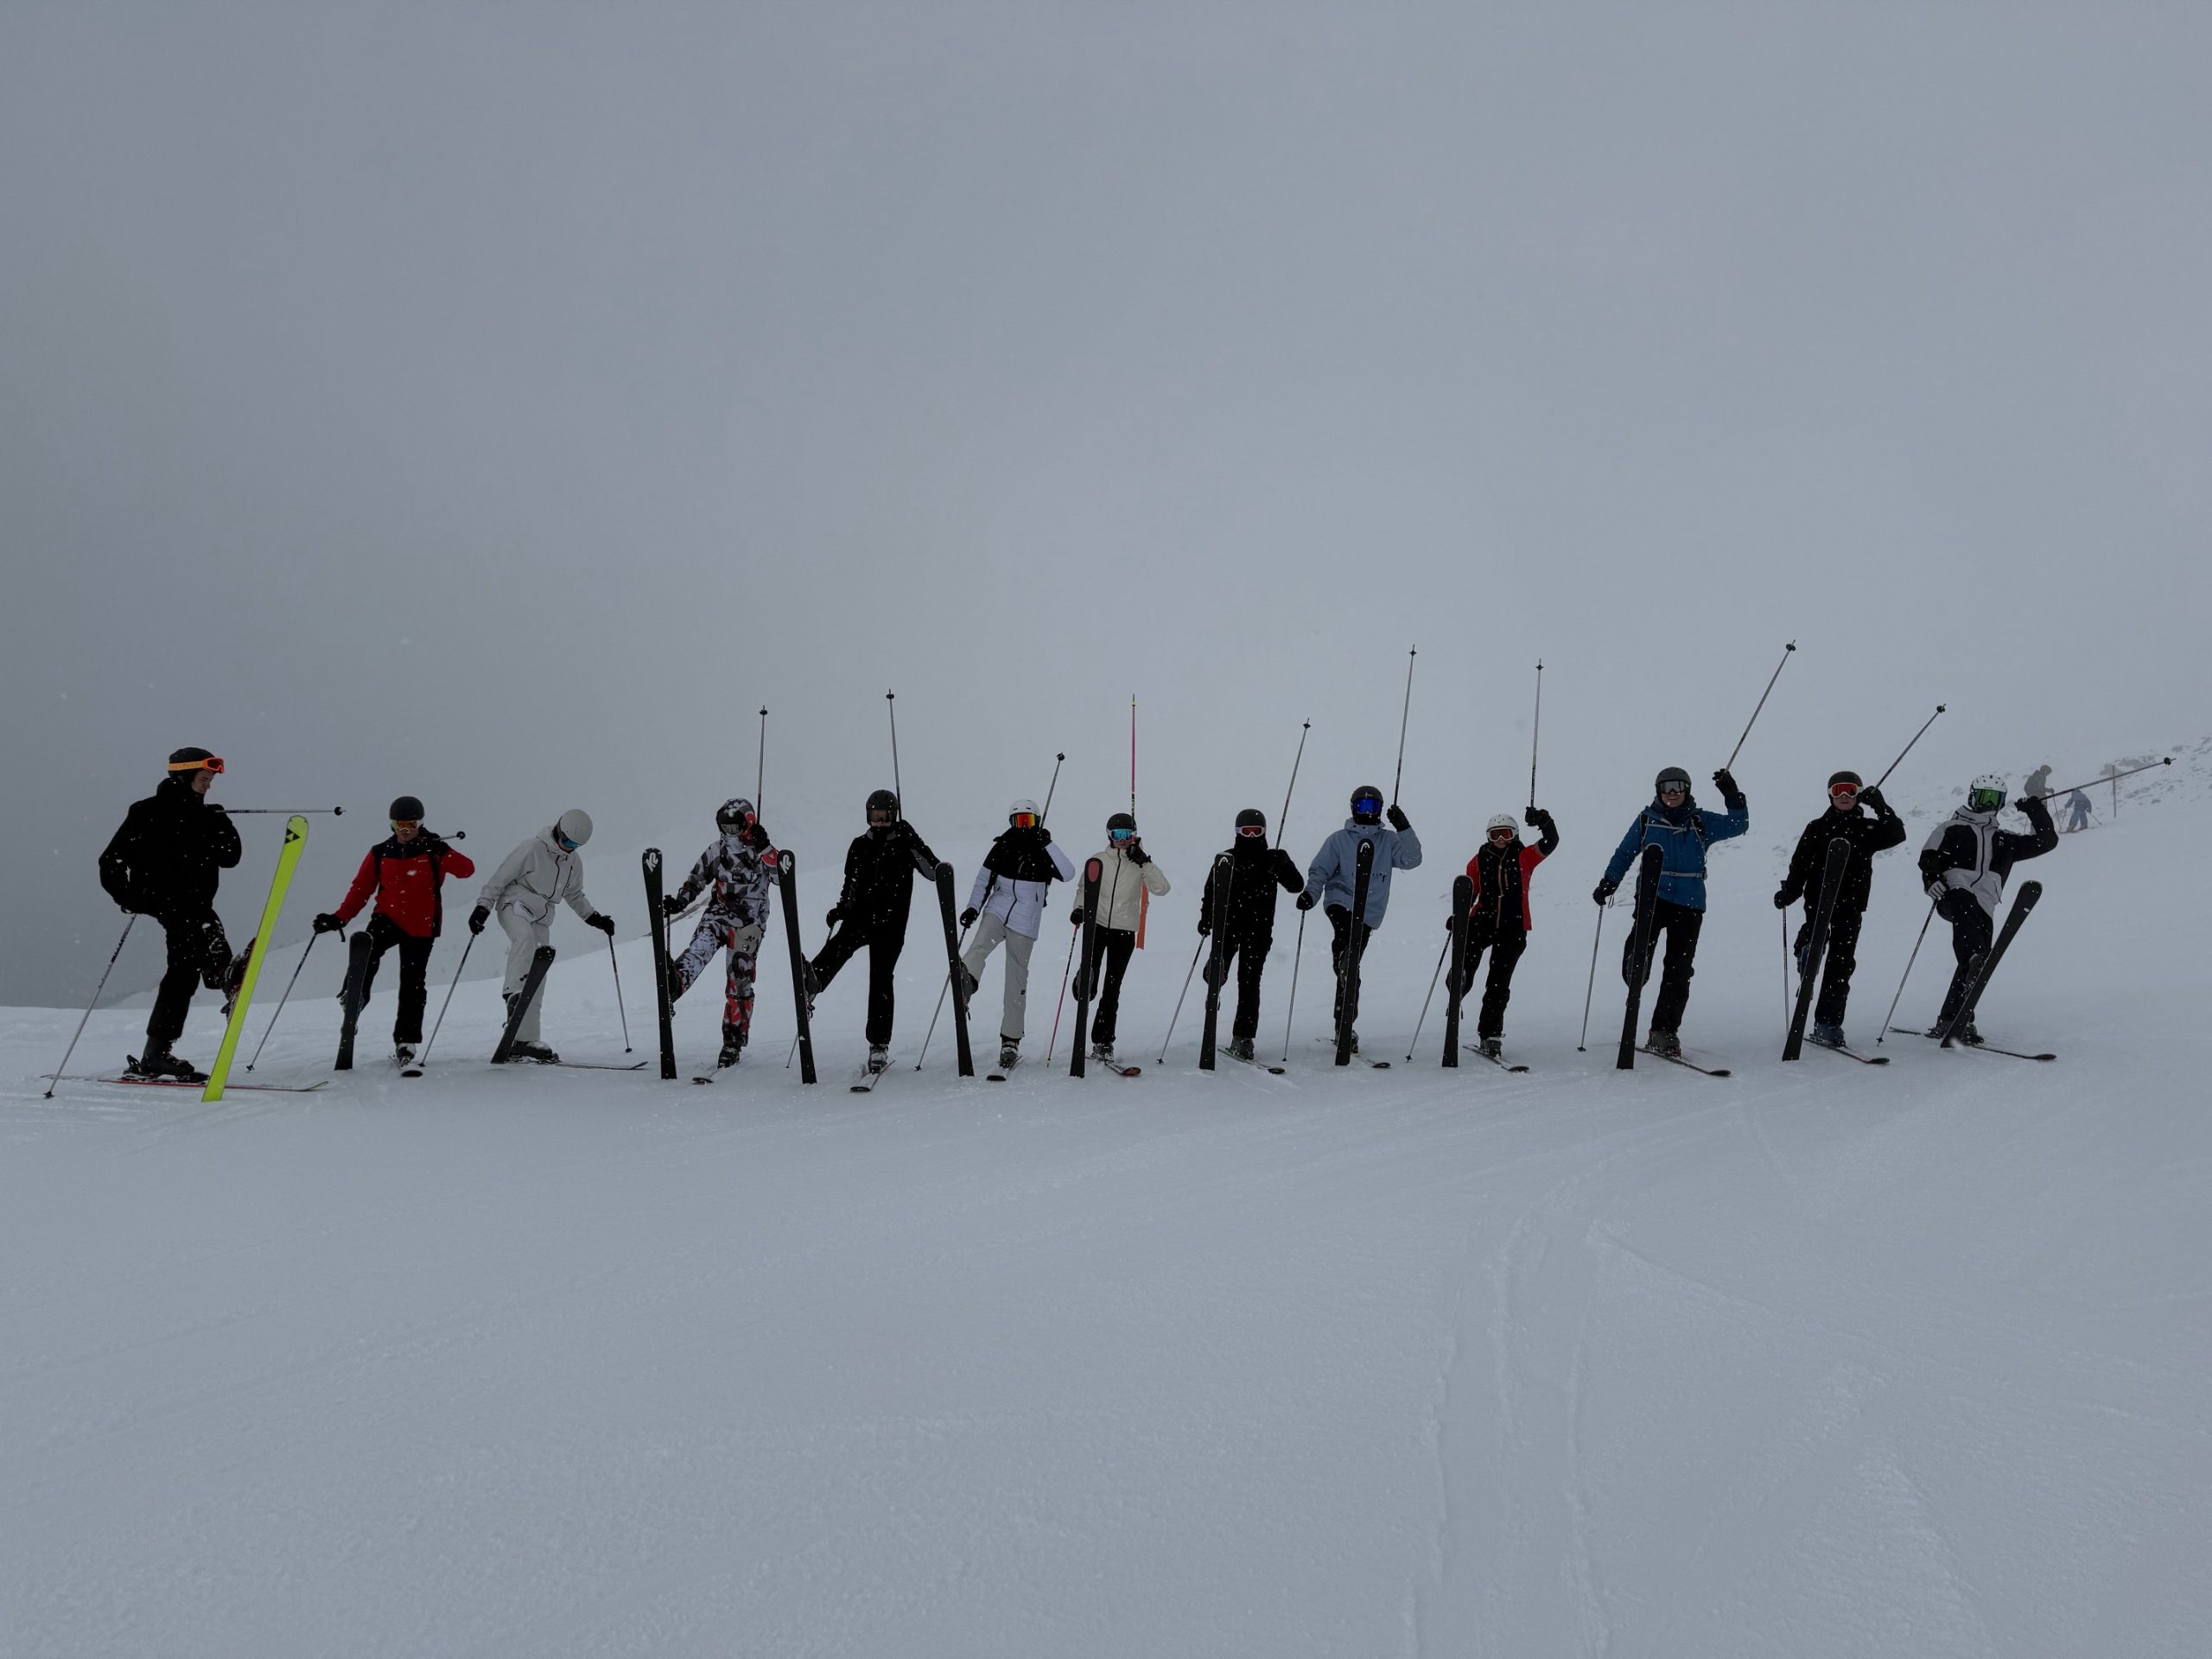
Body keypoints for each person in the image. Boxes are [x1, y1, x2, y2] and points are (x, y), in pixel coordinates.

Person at [97, 747, 246, 1081]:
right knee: (206, 929)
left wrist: (222, 822)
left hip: (197, 901)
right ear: (183, 778)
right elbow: (111, 861)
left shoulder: (207, 817)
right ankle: (224, 974)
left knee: (182, 973)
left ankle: (155, 1053)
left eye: (210, 780)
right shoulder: (146, 812)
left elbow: (231, 857)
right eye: (204, 779)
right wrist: (132, 898)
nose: (208, 786)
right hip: (164, 900)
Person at [1594, 766, 1749, 1057]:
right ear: (1658, 791)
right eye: (1666, 787)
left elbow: (1739, 824)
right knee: (1641, 945)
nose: (1673, 792)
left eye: (1679, 786)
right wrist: (1609, 882)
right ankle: (1635, 966)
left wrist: (1732, 794)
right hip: (1653, 896)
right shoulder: (1647, 821)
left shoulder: (1701, 822)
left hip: (1690, 903)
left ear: (1687, 789)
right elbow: (1625, 852)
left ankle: (1664, 1029)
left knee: (1679, 970)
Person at [312, 796, 476, 1065]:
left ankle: (406, 1041)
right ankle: (353, 998)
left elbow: (467, 870)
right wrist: (339, 918)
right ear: (391, 824)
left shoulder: (434, 849)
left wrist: (444, 850)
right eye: (400, 824)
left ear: (420, 823)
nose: (405, 829)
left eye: (411, 824)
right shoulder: (380, 852)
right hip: (386, 917)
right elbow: (361, 888)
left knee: (412, 982)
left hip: (422, 923)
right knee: (365, 954)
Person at [1916, 774, 2056, 1043]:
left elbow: (2046, 841)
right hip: (1953, 895)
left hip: (1985, 903)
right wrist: (1931, 880)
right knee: (1971, 944)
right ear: (1972, 796)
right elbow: (1928, 856)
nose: (1988, 804)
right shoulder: (1951, 828)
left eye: (1994, 799)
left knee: (1973, 961)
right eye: (1983, 797)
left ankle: (1954, 1018)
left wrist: (2034, 810)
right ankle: (1973, 962)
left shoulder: (2005, 840)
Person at [808, 790, 940, 1072]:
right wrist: (841, 909)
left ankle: (878, 1045)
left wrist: (914, 839)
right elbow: (851, 883)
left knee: (880, 979)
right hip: (860, 917)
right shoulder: (859, 845)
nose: (879, 823)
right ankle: (812, 982)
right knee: (838, 946)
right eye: (874, 818)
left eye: (884, 818)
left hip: (891, 924)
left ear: (893, 816)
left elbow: (934, 872)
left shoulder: (904, 843)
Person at [1771, 771, 1905, 1049]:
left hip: (1851, 904)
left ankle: (1828, 1023)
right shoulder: (1817, 827)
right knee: (1814, 933)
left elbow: (1897, 834)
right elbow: (1800, 864)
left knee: (1841, 965)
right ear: (1829, 794)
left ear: (1859, 795)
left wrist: (1880, 805)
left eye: (1851, 791)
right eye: (1838, 790)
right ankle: (1806, 953)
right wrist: (1790, 893)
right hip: (1819, 899)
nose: (1844, 796)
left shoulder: (1868, 829)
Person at [469, 808, 610, 1065]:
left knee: (538, 972)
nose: (568, 848)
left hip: (542, 915)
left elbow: (575, 895)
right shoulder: (532, 848)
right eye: (566, 841)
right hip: (515, 903)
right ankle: (512, 994)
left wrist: (595, 918)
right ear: (558, 830)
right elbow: (500, 878)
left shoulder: (573, 862)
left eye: (575, 845)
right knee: (523, 939)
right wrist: (483, 906)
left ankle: (524, 1039)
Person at [1299, 785, 1423, 1053]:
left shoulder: (1389, 841)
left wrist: (1405, 828)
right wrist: (1311, 895)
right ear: (1353, 808)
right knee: (1345, 941)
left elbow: (1412, 859)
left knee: (1351, 967)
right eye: (1362, 806)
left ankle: (1343, 1023)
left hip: (1369, 911)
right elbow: (1319, 871)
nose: (1368, 812)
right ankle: (1344, 957)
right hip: (1341, 901)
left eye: (1373, 807)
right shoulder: (1338, 840)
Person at [958, 799, 1077, 1071]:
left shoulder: (1043, 849)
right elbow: (982, 880)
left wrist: (1046, 842)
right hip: (997, 910)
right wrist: (973, 908)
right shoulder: (1003, 845)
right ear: (1011, 823)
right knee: (979, 946)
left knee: (1016, 976)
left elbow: (1068, 873)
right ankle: (966, 980)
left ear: (1037, 821)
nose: (1023, 827)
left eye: (1028, 822)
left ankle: (1010, 1040)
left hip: (1025, 920)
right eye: (1018, 821)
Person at [659, 798, 776, 1069]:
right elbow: (696, 878)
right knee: (699, 949)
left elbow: (783, 876)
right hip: (718, 915)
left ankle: (733, 1040)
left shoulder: (759, 851)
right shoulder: (717, 850)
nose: (729, 833)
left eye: (735, 827)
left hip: (748, 925)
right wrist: (681, 900)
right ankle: (674, 983)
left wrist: (766, 846)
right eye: (725, 827)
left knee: (739, 978)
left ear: (747, 824)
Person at [1198, 809, 1305, 1063]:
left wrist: (1284, 865)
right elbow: (1211, 891)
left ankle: (1243, 1039)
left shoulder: (1272, 859)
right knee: (1219, 971)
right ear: (1238, 833)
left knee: (1249, 983)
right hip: (1228, 928)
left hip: (1258, 932)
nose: (1252, 836)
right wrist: (1206, 918)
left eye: (1257, 831)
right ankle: (1216, 969)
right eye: (1247, 831)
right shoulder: (1227, 859)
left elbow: (1296, 886)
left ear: (1264, 832)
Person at [1454, 806, 1560, 1058]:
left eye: (1505, 834)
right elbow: (1470, 892)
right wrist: (1458, 917)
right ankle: (1459, 980)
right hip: (1483, 920)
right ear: (1487, 837)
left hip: (1513, 926)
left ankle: (1490, 1034)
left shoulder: (1525, 857)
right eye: (1495, 835)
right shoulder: (1478, 860)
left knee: (1498, 982)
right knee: (1468, 957)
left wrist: (1545, 822)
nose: (1500, 840)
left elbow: (1551, 842)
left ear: (1514, 835)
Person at [1069, 811, 1171, 1065]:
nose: (1123, 840)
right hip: (1097, 927)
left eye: (1128, 835)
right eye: (1118, 835)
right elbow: (1084, 888)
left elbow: (1162, 889)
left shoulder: (1140, 863)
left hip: (1124, 931)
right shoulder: (1098, 860)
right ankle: (1085, 978)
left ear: (1134, 835)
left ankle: (1103, 1041)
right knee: (1091, 982)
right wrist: (1079, 909)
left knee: (1112, 988)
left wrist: (1144, 862)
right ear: (1109, 836)